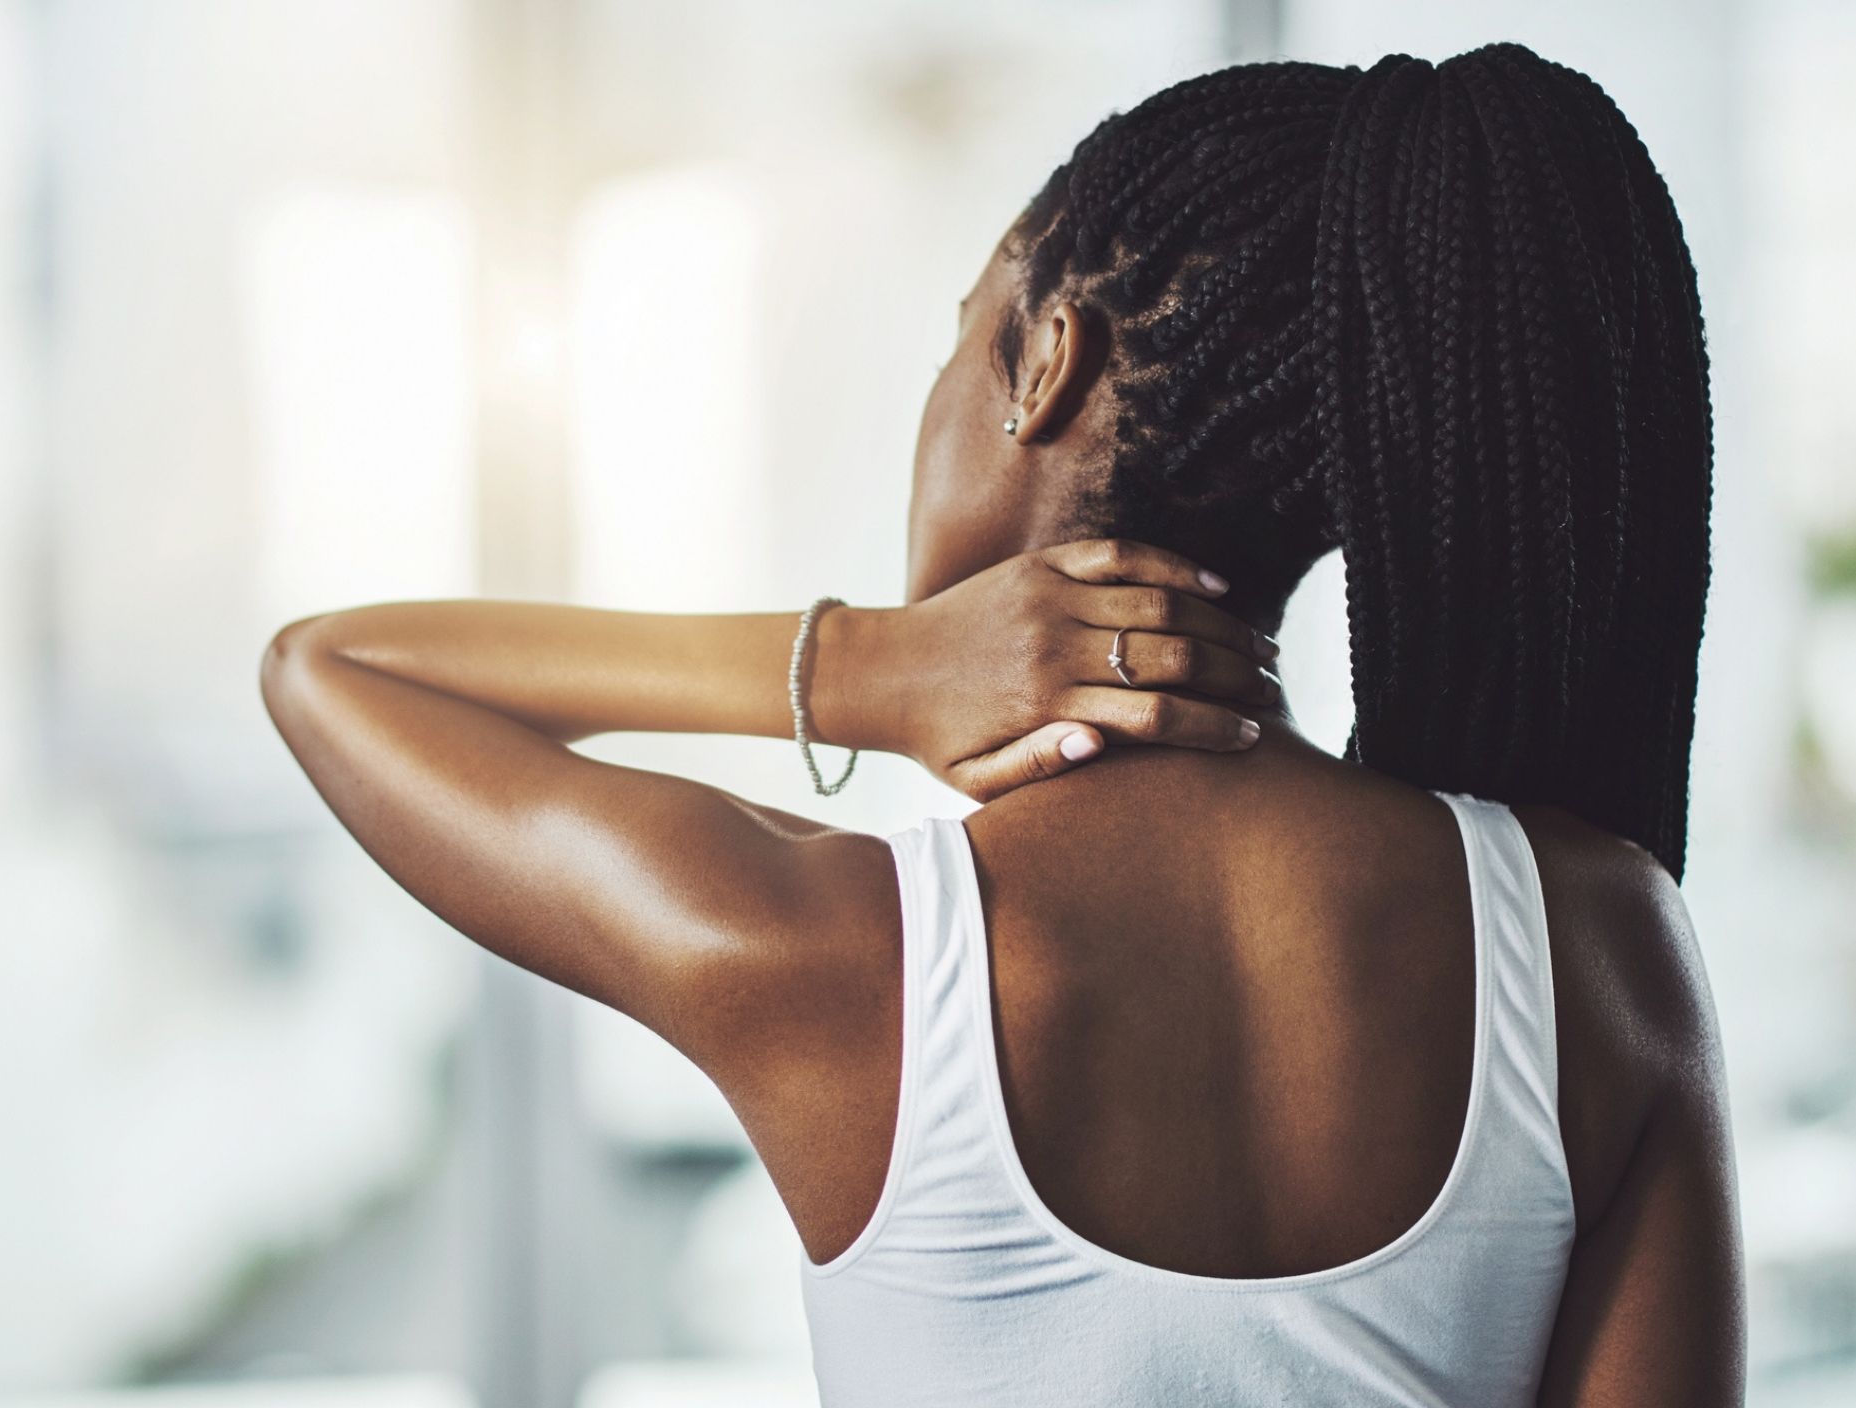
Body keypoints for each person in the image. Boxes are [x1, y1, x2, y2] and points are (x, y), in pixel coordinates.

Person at [262, 41, 1742, 1408]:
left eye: (952, 337)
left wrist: (860, 671)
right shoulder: (1596, 944)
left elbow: (331, 673)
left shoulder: (836, 954)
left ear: (1044, 364)